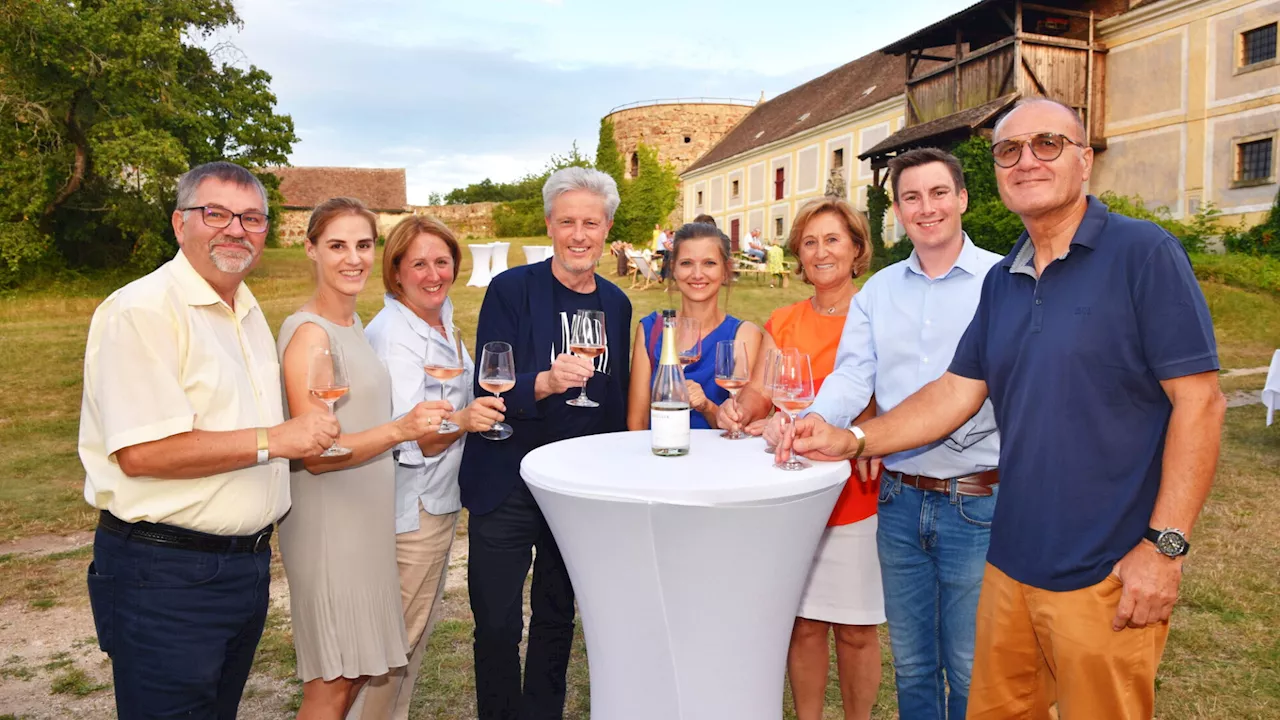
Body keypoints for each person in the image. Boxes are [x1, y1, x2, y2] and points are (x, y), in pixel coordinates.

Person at [787, 99, 1227, 719]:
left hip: (1106, 565)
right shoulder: (1008, 279)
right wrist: (852, 439)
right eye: (1009, 151)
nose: (1026, 161)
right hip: (1009, 558)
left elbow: (1201, 403)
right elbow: (954, 392)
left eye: (1047, 144)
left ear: (1085, 161)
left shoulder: (1142, 252)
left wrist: (1165, 546)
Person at [79, 161, 341, 718]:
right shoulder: (142, 310)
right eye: (215, 214)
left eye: (252, 218)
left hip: (242, 567)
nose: (235, 230)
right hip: (164, 573)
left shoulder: (243, 310)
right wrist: (278, 438)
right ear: (180, 224)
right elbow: (143, 452)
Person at [797, 147, 1003, 719]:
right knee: (912, 666)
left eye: (939, 193)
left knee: (968, 666)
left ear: (962, 199)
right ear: (896, 210)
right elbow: (853, 375)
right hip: (897, 496)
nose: (926, 208)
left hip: (978, 500)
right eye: (911, 197)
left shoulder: (1003, 280)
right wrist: (816, 418)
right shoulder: (879, 291)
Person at [461, 167, 632, 720]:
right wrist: (544, 382)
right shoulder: (510, 290)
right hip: (507, 479)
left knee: (558, 616)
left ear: (607, 227)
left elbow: (613, 397)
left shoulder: (617, 304)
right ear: (549, 226)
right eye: (567, 222)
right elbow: (490, 385)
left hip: (575, 489)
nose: (578, 234)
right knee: (497, 623)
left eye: (590, 222)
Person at [277, 197, 452, 718]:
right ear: (310, 250)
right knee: (333, 684)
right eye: (336, 246)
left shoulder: (352, 327)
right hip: (332, 526)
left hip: (365, 522)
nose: (352, 258)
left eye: (362, 245)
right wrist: (402, 429)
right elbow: (316, 454)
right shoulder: (311, 335)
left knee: (354, 677)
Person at [717, 197, 883, 720]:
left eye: (833, 239)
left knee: (856, 630)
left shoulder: (879, 311)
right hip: (789, 489)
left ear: (857, 249)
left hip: (856, 490)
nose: (820, 251)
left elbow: (898, 393)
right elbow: (762, 393)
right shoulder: (784, 319)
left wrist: (870, 435)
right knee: (804, 622)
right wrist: (735, 408)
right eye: (809, 242)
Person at [356, 215, 507, 720]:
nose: (433, 273)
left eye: (442, 261)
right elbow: (412, 435)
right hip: (412, 509)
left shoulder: (437, 320)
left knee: (412, 640)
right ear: (395, 271)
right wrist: (465, 420)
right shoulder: (395, 338)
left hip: (437, 502)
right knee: (392, 647)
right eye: (418, 263)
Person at [626, 222, 763, 431]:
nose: (697, 274)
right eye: (687, 263)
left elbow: (738, 427)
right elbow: (637, 422)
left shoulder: (743, 336)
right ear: (673, 269)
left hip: (717, 461)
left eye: (709, 263)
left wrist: (706, 406)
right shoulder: (651, 330)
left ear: (725, 270)